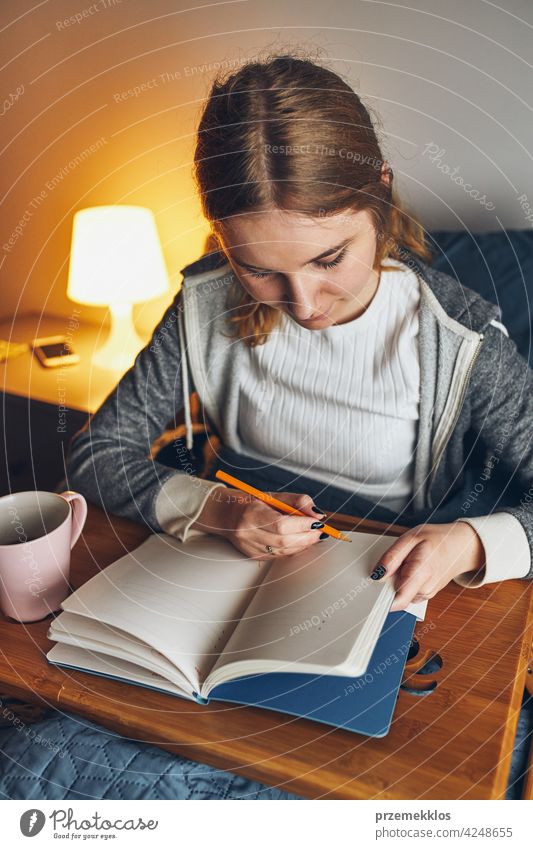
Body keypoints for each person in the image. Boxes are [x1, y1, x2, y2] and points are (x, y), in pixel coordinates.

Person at [65, 54, 533, 612]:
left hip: (382, 583)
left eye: (330, 259)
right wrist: (217, 509)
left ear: (380, 194)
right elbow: (96, 454)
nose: (305, 305)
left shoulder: (464, 338)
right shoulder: (203, 303)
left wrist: (474, 542)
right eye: (259, 270)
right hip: (218, 568)